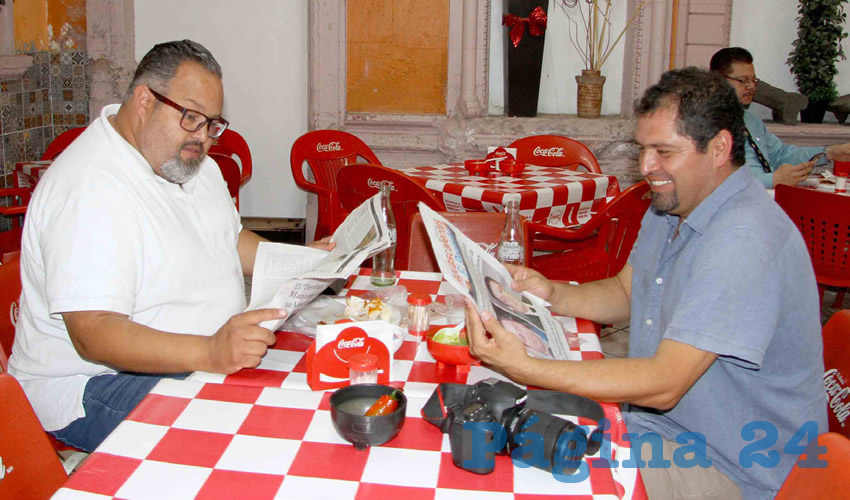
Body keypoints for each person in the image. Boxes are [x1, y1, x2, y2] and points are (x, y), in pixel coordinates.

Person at [464, 67, 826, 499]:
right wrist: (552, 292)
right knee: (491, 424)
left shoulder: (744, 239)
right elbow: (625, 293)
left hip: (734, 466)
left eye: (664, 152)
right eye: (642, 149)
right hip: (661, 430)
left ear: (719, 148)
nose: (645, 166)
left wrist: (528, 367)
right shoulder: (672, 205)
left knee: (523, 476)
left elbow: (664, 383)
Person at [8, 40, 333, 452]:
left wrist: (301, 262)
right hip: (94, 385)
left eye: (212, 123)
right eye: (192, 118)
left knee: (312, 390)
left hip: (195, 356)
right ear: (144, 100)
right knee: (250, 438)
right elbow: (95, 333)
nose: (204, 138)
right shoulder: (89, 188)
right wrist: (210, 352)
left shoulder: (188, 162)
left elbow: (228, 241)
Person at [709, 47, 850, 188]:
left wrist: (829, 153)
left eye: (753, 80)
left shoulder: (752, 121)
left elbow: (781, 155)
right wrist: (773, 180)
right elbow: (719, 184)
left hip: (769, 198)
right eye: (743, 80)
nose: (751, 87)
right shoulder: (706, 124)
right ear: (718, 81)